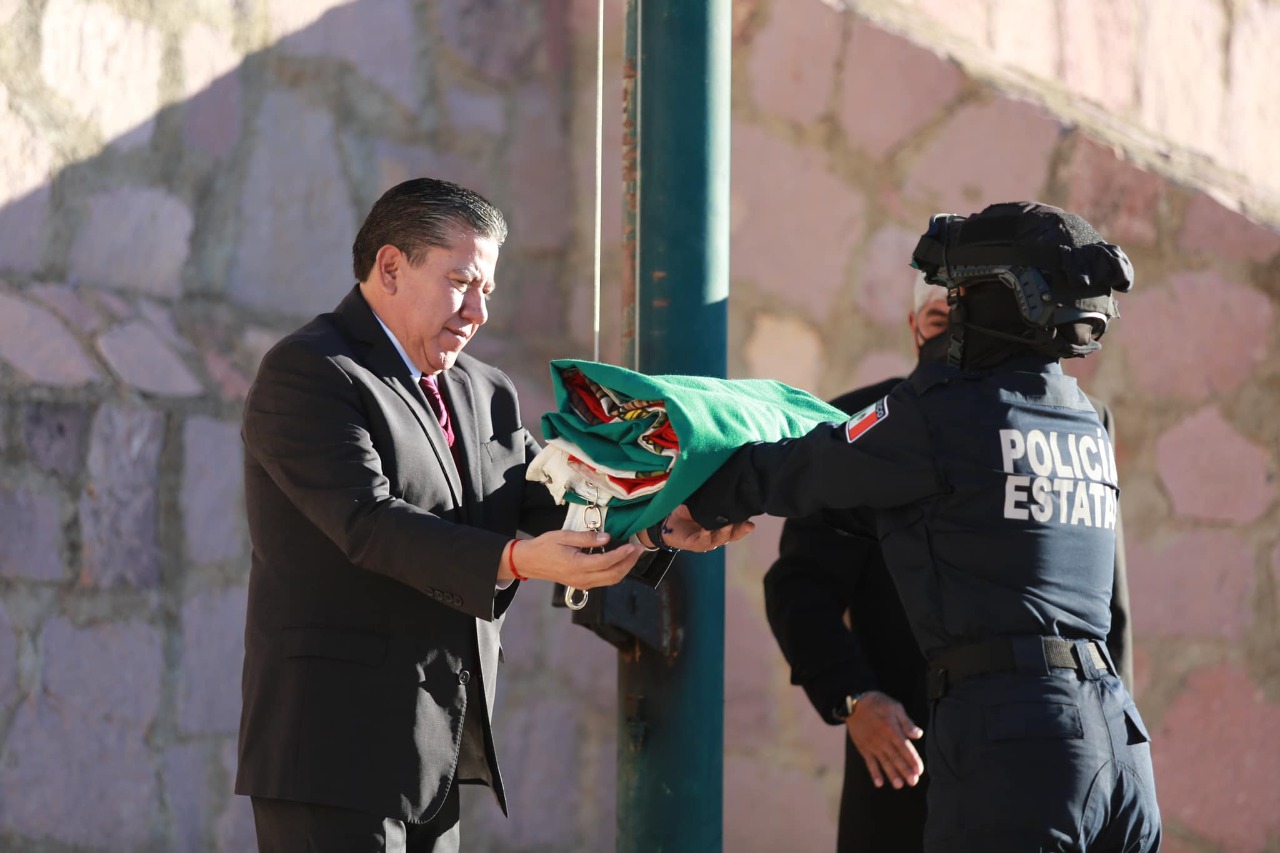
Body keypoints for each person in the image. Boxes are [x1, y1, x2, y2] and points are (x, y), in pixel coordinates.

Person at [235, 177, 745, 851]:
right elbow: (368, 524)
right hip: (330, 750)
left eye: (488, 291)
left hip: (434, 750)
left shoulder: (486, 390)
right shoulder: (310, 372)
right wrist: (515, 560)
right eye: (461, 283)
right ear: (390, 267)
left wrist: (659, 521)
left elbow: (555, 498)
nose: (477, 311)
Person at [678, 202, 1161, 851]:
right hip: (1118, 745)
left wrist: (691, 496)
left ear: (1006, 300)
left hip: (1011, 745)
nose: (954, 315)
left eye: (961, 296)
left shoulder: (940, 412)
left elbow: (802, 468)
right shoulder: (1082, 421)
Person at [762, 274, 1137, 852]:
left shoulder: (1075, 418)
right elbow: (800, 585)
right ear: (914, 327)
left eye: (968, 321)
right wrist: (853, 697)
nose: (956, 338)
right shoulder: (868, 422)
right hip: (907, 754)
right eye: (939, 321)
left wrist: (1119, 738)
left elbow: (1108, 606)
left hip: (1051, 750)